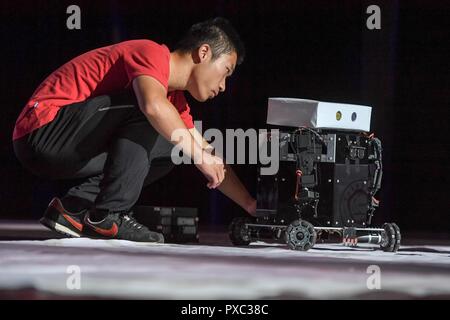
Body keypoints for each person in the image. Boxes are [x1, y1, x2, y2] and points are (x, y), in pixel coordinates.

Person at [12, 17, 256, 243]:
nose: (224, 86)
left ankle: (75, 208)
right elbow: (152, 106)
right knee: (154, 114)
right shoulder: (151, 53)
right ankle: (108, 216)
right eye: (226, 71)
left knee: (172, 147)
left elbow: (208, 152)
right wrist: (199, 156)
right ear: (204, 52)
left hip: (66, 145)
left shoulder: (173, 102)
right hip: (42, 131)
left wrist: (251, 205)